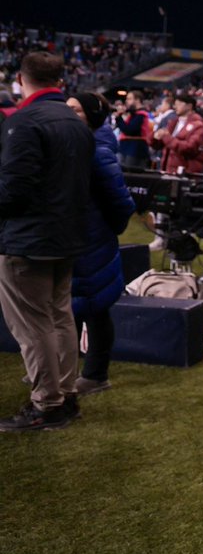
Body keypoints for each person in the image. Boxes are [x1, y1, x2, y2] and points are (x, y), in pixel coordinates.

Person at [0, 53, 94, 431]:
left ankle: (48, 403)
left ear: (22, 79)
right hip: (65, 235)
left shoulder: (26, 121)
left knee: (33, 324)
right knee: (59, 316)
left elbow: (14, 191)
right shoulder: (75, 122)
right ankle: (65, 395)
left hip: (30, 238)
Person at [65, 93, 135, 395]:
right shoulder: (84, 142)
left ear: (91, 116)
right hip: (81, 235)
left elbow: (121, 201)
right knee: (79, 306)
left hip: (92, 238)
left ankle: (94, 373)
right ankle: (66, 368)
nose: (67, 113)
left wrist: (108, 229)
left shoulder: (97, 148)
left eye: (75, 110)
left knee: (92, 307)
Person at [151, 92, 203, 174]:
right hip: (168, 170)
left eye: (179, 104)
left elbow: (190, 148)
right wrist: (155, 137)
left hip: (185, 172)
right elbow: (160, 144)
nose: (175, 107)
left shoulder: (198, 125)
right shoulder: (173, 122)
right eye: (175, 104)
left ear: (189, 106)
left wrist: (166, 137)